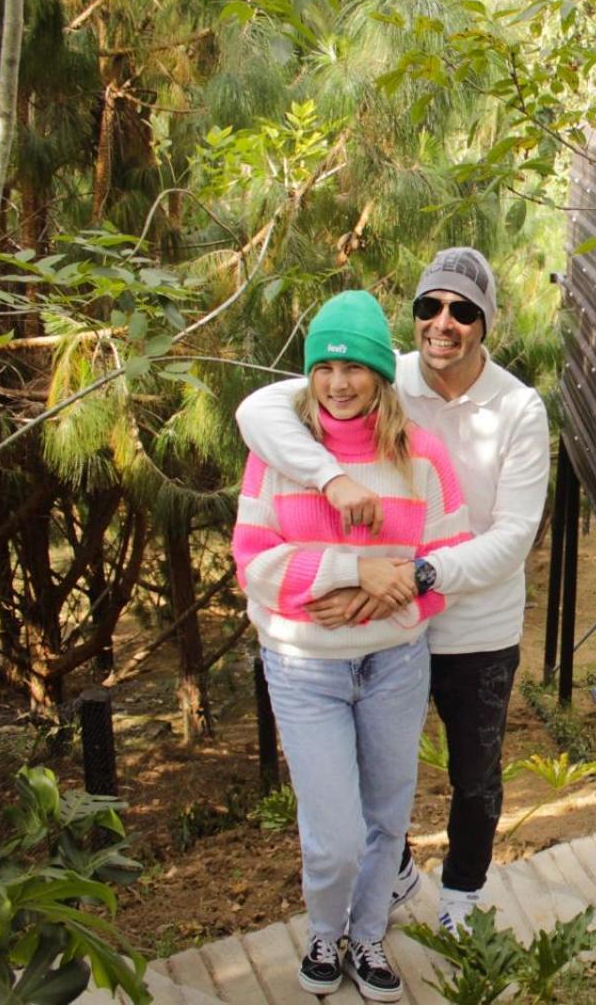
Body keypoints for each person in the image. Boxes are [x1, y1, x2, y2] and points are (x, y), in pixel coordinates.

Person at [235, 247, 550, 933]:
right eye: (429, 307)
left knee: (474, 775)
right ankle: (395, 871)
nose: (443, 323)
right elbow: (259, 411)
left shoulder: (520, 409)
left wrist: (417, 576)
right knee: (376, 778)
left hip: (473, 622)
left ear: (485, 323)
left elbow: (514, 533)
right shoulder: (382, 376)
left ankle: (462, 895)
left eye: (462, 311)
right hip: (384, 629)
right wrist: (330, 478)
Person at [232, 289, 471, 1001]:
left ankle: (366, 935)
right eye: (325, 369)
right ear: (309, 375)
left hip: (396, 661)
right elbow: (254, 562)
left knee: (386, 815)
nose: (339, 384)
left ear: (380, 375)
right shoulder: (282, 457)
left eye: (355, 369)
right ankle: (323, 927)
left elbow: (449, 559)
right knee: (333, 831)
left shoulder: (422, 457)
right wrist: (349, 569)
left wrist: (393, 591)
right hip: (305, 668)